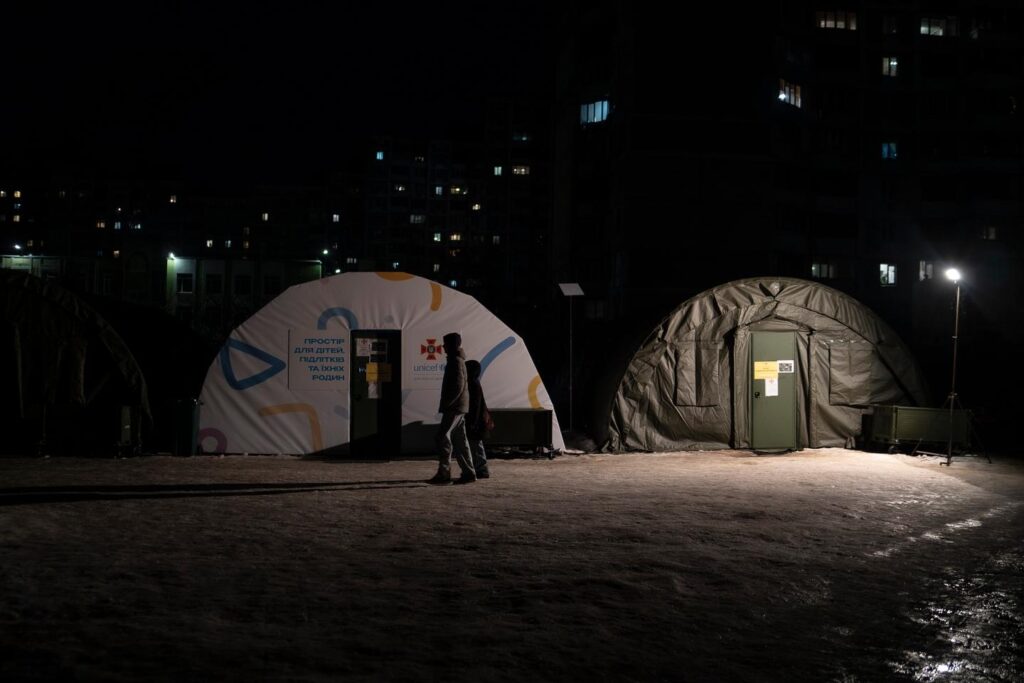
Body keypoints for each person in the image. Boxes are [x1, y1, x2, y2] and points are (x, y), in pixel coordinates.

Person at [427, 332, 476, 485]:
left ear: (451, 345)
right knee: (460, 441)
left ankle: (444, 474)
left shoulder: (455, 362)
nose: (443, 347)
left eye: (445, 344)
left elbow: (457, 386)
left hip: (454, 407)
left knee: (442, 437)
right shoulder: (458, 361)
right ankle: (469, 472)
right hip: (459, 407)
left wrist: (447, 404)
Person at [464, 360, 491, 479]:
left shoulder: (473, 384)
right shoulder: (475, 383)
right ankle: (480, 468)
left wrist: (473, 422)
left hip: (475, 421)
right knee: (475, 444)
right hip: (477, 421)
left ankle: (482, 469)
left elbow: (475, 405)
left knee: (476, 445)